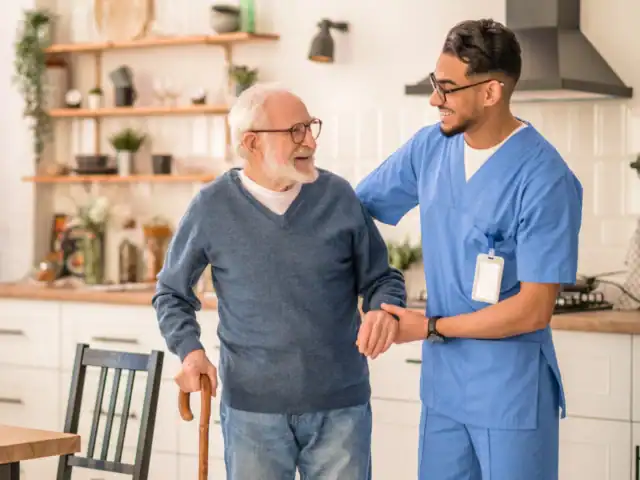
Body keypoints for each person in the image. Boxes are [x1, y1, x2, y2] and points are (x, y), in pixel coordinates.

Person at [355, 19, 583, 480]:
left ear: (491, 92)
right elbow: (353, 211)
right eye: (435, 84)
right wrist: (381, 294)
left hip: (510, 393)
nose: (435, 99)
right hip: (444, 392)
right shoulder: (429, 150)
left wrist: (431, 325)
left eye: (447, 88)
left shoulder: (545, 178)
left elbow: (534, 309)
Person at [152, 83, 407, 480]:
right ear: (251, 142)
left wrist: (383, 310)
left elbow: (381, 279)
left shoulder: (338, 196)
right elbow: (171, 293)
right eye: (295, 131)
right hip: (251, 412)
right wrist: (189, 351)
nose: (310, 141)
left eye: (310, 127)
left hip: (340, 407)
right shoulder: (212, 206)